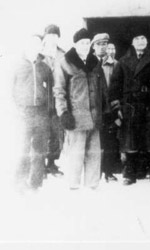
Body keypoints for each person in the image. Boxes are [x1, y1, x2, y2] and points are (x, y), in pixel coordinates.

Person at [108, 28, 150, 185]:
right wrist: (117, 108)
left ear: (147, 41)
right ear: (132, 43)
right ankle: (130, 175)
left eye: (143, 38)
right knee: (131, 141)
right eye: (137, 39)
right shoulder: (122, 62)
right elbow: (114, 86)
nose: (141, 41)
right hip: (130, 106)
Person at [53, 28, 106, 190]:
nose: (85, 46)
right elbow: (59, 91)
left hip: (94, 117)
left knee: (93, 154)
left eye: (87, 43)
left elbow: (103, 89)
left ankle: (92, 185)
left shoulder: (95, 63)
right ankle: (73, 185)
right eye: (82, 43)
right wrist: (63, 113)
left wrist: (107, 111)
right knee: (76, 154)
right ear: (75, 45)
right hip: (76, 118)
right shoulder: (64, 62)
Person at [13, 34, 53, 192]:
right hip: (23, 113)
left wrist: (49, 111)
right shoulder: (17, 65)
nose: (35, 47)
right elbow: (8, 89)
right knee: (23, 148)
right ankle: (19, 181)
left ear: (41, 47)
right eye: (31, 44)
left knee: (39, 149)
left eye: (38, 44)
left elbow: (50, 92)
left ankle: (35, 183)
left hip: (41, 113)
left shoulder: (45, 67)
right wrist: (16, 110)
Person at [92, 33, 121, 182]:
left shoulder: (115, 64)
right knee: (94, 141)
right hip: (94, 107)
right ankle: (95, 172)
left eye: (105, 43)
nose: (102, 46)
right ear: (94, 46)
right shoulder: (89, 63)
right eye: (99, 44)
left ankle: (109, 171)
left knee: (109, 140)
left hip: (109, 107)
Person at [41, 24, 65, 177]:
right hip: (42, 100)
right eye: (49, 36)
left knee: (57, 133)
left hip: (58, 98)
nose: (52, 38)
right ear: (45, 37)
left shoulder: (63, 54)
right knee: (42, 133)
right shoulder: (38, 54)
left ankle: (52, 163)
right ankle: (40, 165)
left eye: (55, 35)